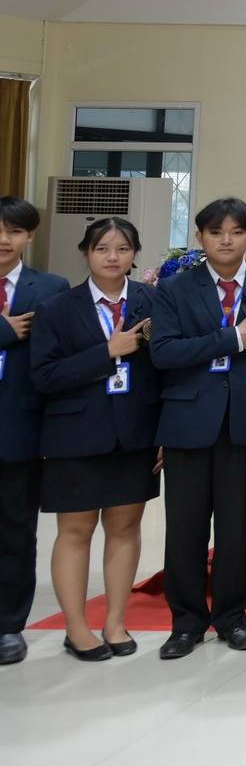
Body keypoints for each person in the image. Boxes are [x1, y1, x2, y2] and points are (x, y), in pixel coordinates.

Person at [150, 197, 246, 658]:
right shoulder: (174, 288)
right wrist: (232, 338)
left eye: (236, 232)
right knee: (185, 528)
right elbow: (164, 352)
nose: (226, 241)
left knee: (237, 526)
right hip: (188, 419)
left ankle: (232, 615)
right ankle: (186, 622)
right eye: (215, 232)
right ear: (199, 238)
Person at [30, 217, 160, 661]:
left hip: (136, 434)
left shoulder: (152, 301)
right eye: (102, 248)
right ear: (86, 253)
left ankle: (115, 622)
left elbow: (166, 371)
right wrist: (107, 352)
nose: (112, 257)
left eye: (122, 248)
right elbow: (44, 376)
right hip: (75, 435)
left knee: (125, 528)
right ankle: (76, 628)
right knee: (76, 531)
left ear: (134, 255)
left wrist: (164, 432)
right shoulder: (57, 308)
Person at [0, 197, 66, 667]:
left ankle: (8, 625)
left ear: (30, 236)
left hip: (19, 428)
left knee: (15, 531)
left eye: (15, 231)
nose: (4, 240)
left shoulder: (50, 288)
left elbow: (52, 359)